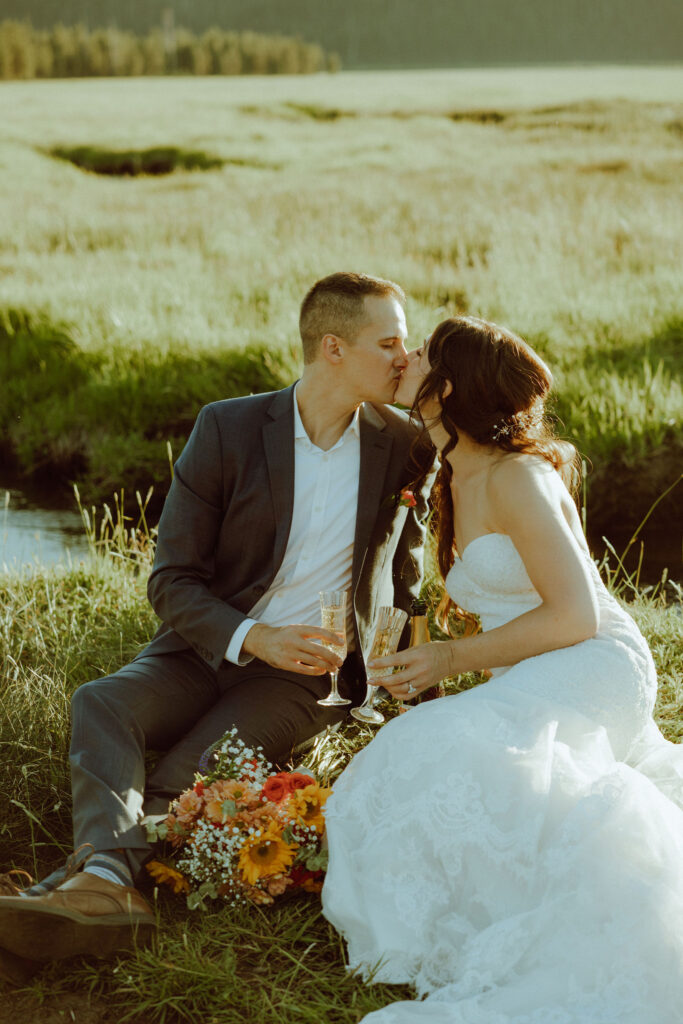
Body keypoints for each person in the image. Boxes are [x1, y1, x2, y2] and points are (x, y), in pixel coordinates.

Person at [0, 272, 434, 984]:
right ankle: (109, 886)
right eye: (388, 342)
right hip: (210, 646)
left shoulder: (406, 445)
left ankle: (74, 892)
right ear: (332, 347)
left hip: (307, 677)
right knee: (100, 703)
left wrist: (400, 683)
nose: (403, 357)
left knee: (184, 775)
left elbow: (406, 583)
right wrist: (250, 636)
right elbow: (170, 580)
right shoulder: (228, 427)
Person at [321, 315, 683, 1024]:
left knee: (424, 751)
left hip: (593, 661)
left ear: (447, 386)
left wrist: (450, 659)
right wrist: (439, 659)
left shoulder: (520, 477)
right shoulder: (449, 469)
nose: (405, 358)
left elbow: (574, 616)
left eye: (418, 352)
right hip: (535, 667)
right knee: (431, 753)